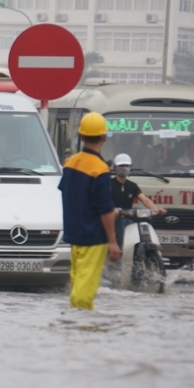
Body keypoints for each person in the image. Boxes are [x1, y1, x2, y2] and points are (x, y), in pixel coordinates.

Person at [58, 112, 121, 310]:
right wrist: (112, 241)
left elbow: (68, 194)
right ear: (104, 137)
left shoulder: (70, 164)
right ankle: (81, 333)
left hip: (74, 238)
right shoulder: (100, 169)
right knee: (83, 296)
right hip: (94, 240)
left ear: (82, 137)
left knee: (78, 289)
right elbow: (105, 209)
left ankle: (72, 332)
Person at [111, 153, 166, 248]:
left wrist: (156, 210)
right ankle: (122, 248)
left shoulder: (132, 186)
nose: (124, 168)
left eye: (126, 166)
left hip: (127, 219)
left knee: (147, 218)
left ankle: (148, 245)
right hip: (112, 220)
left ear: (130, 167)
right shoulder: (108, 184)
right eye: (121, 166)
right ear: (115, 167)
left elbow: (145, 200)